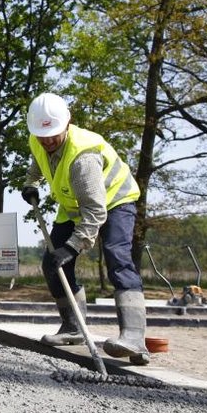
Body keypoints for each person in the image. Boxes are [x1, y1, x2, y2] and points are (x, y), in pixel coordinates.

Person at [20, 92, 149, 364]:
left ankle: (134, 337)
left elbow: (95, 211)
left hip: (114, 201)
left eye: (54, 135)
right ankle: (73, 328)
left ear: (67, 124)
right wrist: (31, 183)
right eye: (43, 136)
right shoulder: (38, 138)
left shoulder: (83, 158)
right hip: (72, 204)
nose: (48, 141)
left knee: (117, 257)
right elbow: (38, 161)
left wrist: (73, 246)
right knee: (51, 264)